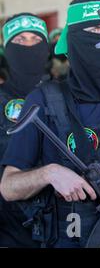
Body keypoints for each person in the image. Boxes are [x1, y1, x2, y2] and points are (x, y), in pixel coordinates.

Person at [0, 0, 100, 248]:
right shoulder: (44, 100)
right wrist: (49, 173)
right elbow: (9, 186)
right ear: (74, 38)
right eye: (93, 29)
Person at [0, 12, 49, 248]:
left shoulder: (62, 94)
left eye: (35, 39)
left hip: (61, 227)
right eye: (20, 40)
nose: (29, 46)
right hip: (9, 231)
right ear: (7, 49)